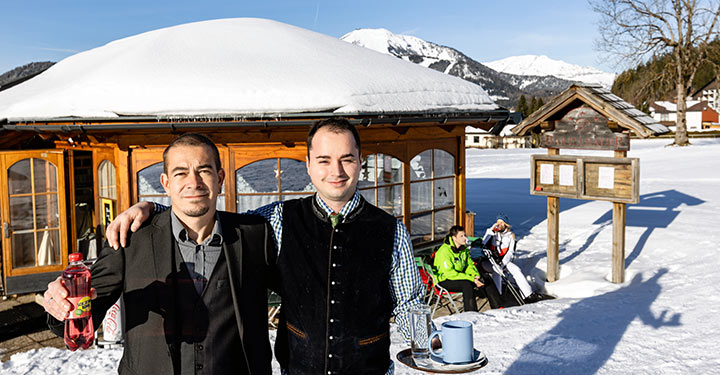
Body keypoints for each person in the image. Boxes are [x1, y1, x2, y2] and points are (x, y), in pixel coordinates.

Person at [105, 118, 425, 375]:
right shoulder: (279, 219)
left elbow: (409, 303)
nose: (336, 171)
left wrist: (430, 345)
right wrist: (151, 209)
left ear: (360, 162)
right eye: (324, 160)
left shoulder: (391, 230)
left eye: (347, 159)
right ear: (309, 165)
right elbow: (212, 217)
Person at [42, 133, 275, 374]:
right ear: (165, 183)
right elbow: (81, 312)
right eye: (181, 173)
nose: (193, 182)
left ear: (220, 178)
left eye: (204, 170)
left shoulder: (256, 235)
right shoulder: (129, 239)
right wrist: (61, 305)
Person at [480, 214, 546, 304]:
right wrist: (491, 230)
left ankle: (528, 294)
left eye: (501, 223)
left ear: (506, 225)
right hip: (489, 262)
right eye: (497, 222)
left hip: (503, 262)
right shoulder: (492, 233)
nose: (499, 225)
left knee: (516, 270)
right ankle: (497, 296)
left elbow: (510, 253)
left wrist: (503, 264)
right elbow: (483, 243)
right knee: (497, 271)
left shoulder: (511, 236)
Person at [433, 225, 501, 311]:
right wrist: (471, 278)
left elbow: (469, 265)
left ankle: (498, 308)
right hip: (444, 280)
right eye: (461, 236)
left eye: (465, 235)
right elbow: (449, 273)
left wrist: (476, 276)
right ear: (454, 238)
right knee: (467, 284)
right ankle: (471, 313)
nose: (465, 238)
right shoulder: (444, 252)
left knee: (485, 278)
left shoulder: (463, 249)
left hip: (459, 276)